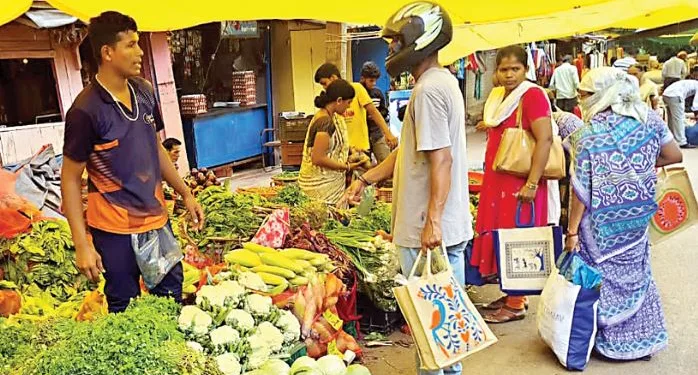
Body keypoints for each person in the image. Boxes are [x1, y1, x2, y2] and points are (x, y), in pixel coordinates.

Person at [342, 3, 470, 374]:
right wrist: (365, 179)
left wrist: (432, 220)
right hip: (439, 228)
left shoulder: (429, 91)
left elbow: (440, 160)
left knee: (435, 338)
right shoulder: (441, 82)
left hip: (427, 233)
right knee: (443, 335)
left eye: (396, 40)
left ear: (420, 39)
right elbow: (408, 155)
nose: (390, 49)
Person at [61, 12, 204, 313]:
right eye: (131, 45)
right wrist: (82, 244)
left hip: (156, 219)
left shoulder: (145, 91)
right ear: (107, 52)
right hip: (113, 229)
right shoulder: (85, 111)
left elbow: (154, 146)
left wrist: (185, 192)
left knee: (170, 298)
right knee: (124, 306)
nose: (140, 52)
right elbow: (70, 178)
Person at [565, 66, 682, 361]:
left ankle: (609, 343)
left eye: (586, 95)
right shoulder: (649, 120)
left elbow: (580, 190)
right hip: (637, 216)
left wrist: (571, 231)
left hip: (599, 224)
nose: (581, 100)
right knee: (637, 274)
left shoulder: (587, 134)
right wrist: (638, 168)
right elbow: (674, 155)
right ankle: (642, 342)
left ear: (602, 94)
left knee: (603, 278)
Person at [473, 45, 554, 323]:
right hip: (498, 180)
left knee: (518, 237)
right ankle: (512, 294)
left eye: (515, 69)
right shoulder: (500, 98)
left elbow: (545, 139)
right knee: (502, 236)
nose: (509, 75)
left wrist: (532, 184)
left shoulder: (531, 95)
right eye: (504, 69)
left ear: (526, 69)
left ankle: (516, 303)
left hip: (520, 183)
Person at [298, 79, 363, 205]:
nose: (348, 106)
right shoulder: (325, 122)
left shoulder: (326, 116)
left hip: (320, 184)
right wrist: (346, 167)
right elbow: (317, 158)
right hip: (320, 186)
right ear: (339, 101)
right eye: (348, 102)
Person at [314, 63, 398, 154]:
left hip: (360, 148)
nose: (324, 87)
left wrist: (388, 133)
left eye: (324, 83)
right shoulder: (329, 100)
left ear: (333, 77)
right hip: (342, 150)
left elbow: (373, 112)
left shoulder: (356, 88)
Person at [359, 61, 392, 163]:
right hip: (363, 136)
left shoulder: (377, 93)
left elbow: (384, 110)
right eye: (371, 81)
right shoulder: (358, 91)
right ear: (363, 78)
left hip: (377, 134)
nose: (373, 84)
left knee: (385, 161)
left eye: (375, 81)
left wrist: (376, 115)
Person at [662, 69, 698, 149]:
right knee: (679, 118)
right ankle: (682, 142)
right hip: (675, 95)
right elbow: (696, 103)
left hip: (667, 94)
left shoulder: (691, 82)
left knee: (672, 118)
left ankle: (671, 139)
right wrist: (696, 114)